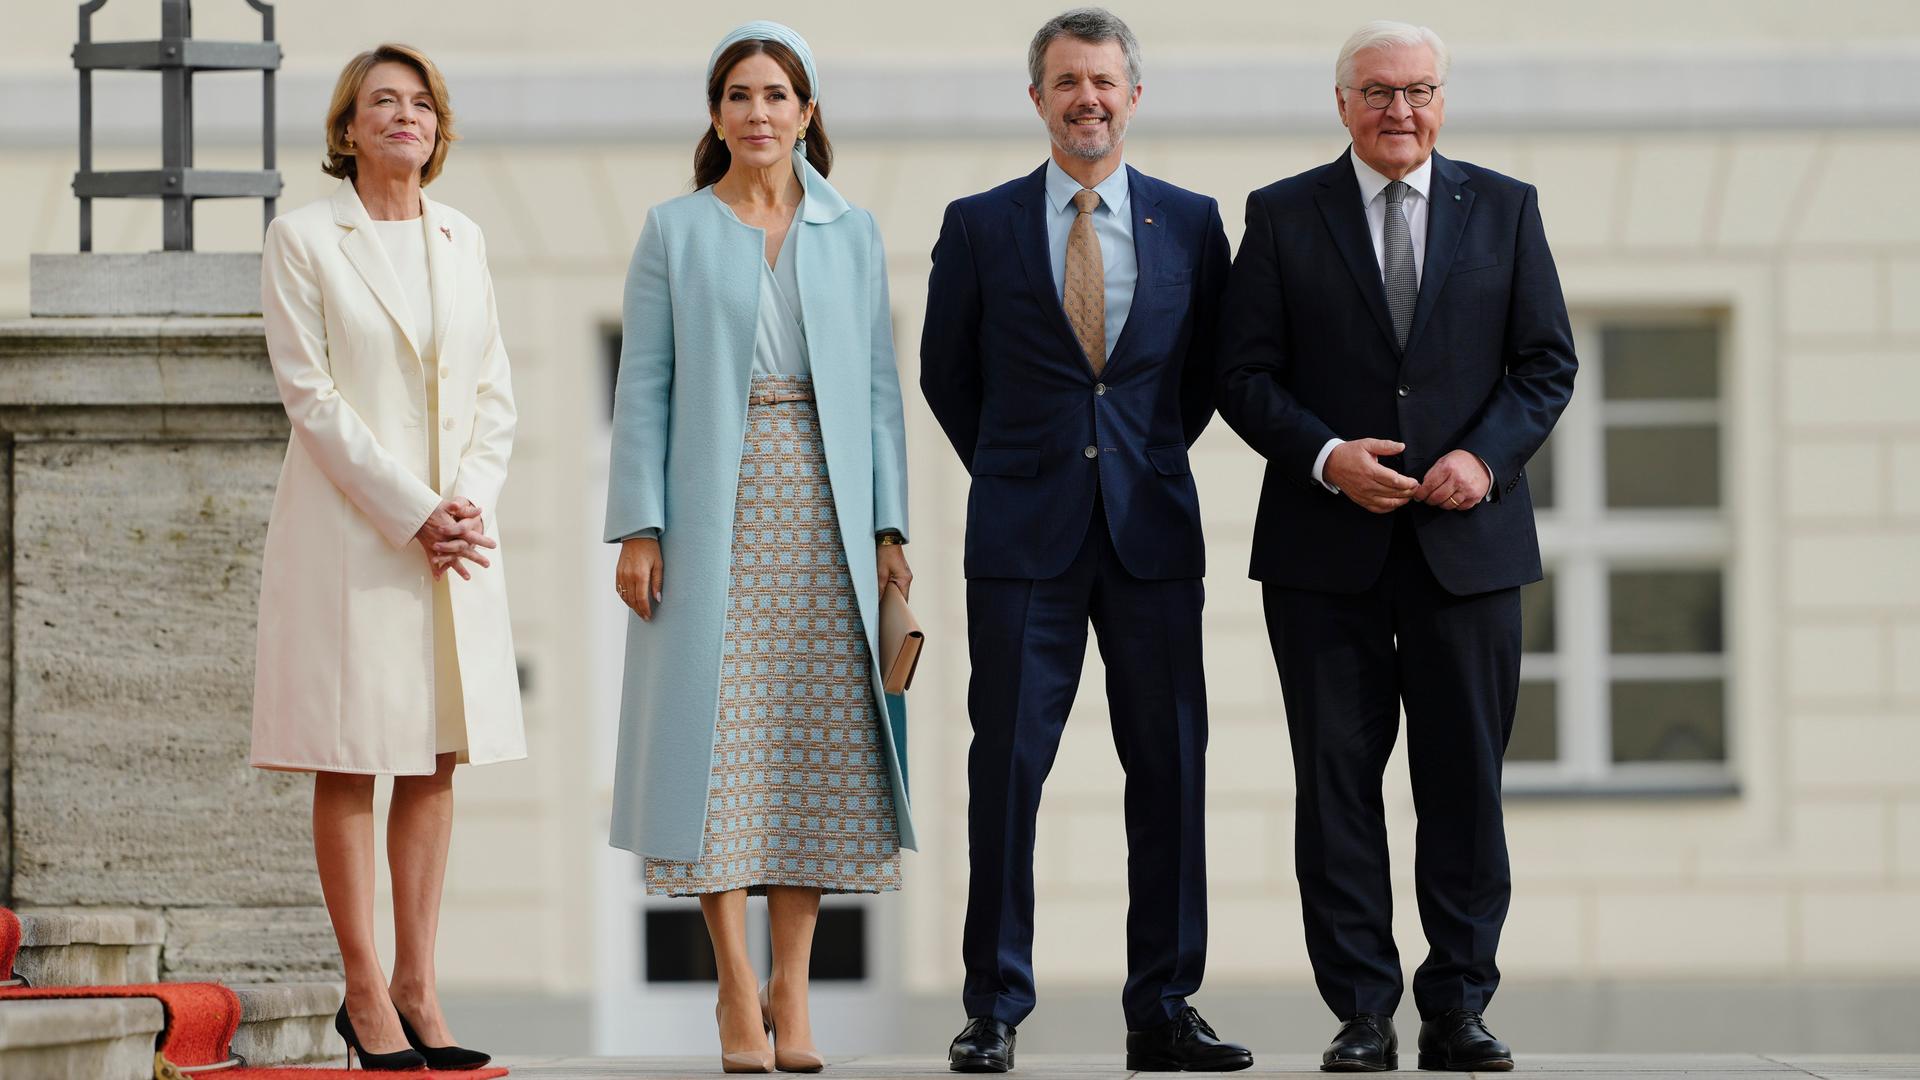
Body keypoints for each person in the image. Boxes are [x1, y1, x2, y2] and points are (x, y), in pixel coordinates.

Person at [1215, 19, 1578, 1073]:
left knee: (1463, 785)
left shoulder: (1506, 209)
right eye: (1377, 92)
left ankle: (1458, 1007)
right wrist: (1327, 455)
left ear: (1443, 100)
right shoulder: (1283, 215)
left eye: (1418, 91)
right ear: (1342, 104)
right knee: (1335, 788)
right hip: (1326, 555)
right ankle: (1363, 1012)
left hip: (1471, 548)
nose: (1399, 111)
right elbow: (1243, 377)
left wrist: (1489, 458)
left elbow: (1546, 363)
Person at [921, 8, 1249, 1074]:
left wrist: (1134, 456)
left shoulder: (1192, 224)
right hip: (1023, 541)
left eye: (1104, 81)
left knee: (1169, 771)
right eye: (1066, 82)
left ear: (1133, 96)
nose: (1087, 99)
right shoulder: (979, 224)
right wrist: (1024, 468)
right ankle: (995, 1008)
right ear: (1037, 99)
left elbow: (1205, 377)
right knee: (1006, 771)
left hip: (1152, 533)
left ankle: (1163, 1007)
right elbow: (947, 375)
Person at [603, 21, 915, 1076]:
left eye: (777, 94)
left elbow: (878, 390)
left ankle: (795, 986)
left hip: (827, 507)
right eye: (739, 94)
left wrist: (889, 532)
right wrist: (639, 525)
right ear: (716, 115)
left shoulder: (852, 229)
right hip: (709, 507)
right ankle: (736, 990)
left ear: (808, 113)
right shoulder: (674, 229)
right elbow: (642, 385)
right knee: (713, 755)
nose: (759, 112)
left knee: (812, 752)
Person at [251, 42, 521, 1073]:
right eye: (382, 103)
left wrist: (466, 507)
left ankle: (419, 988)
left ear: (438, 129)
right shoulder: (305, 238)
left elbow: (494, 391)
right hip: (353, 534)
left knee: (436, 750)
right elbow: (310, 397)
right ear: (348, 129)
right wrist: (413, 511)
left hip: (453, 540)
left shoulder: (464, 238)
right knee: (353, 749)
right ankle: (363, 993)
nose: (403, 116)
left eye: (420, 103)